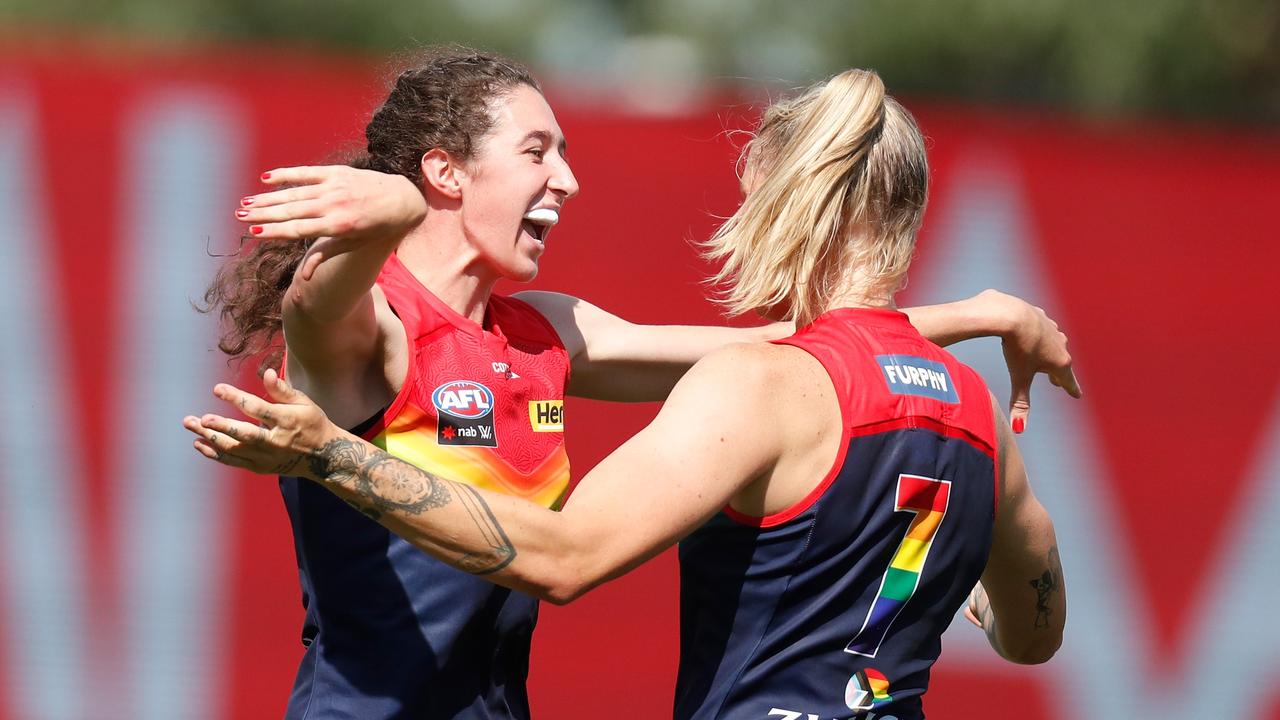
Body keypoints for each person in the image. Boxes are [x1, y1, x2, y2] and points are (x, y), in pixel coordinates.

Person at [189, 66, 1068, 720]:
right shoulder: (375, 325)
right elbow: (314, 305)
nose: (566, 180)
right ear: (445, 172)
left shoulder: (546, 332)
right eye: (538, 152)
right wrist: (385, 214)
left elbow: (805, 353)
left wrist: (975, 311)